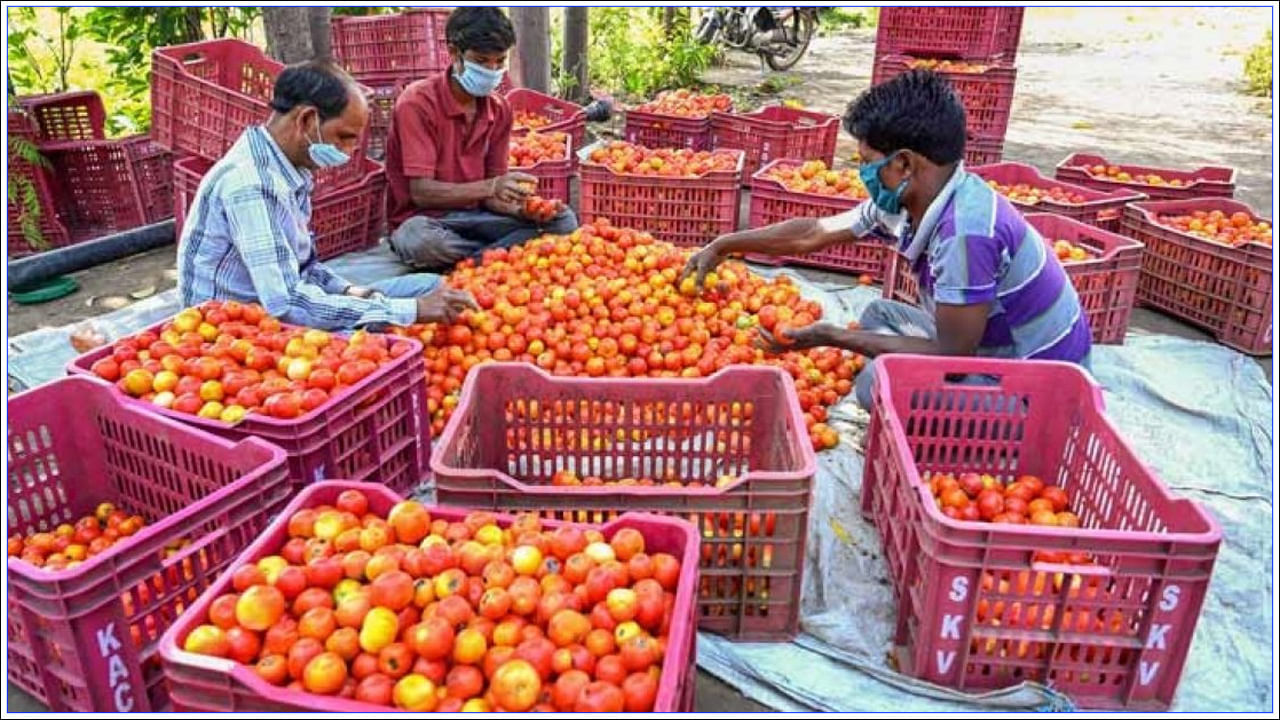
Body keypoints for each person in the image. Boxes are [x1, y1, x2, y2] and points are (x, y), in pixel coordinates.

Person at [682, 70, 1092, 410]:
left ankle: (979, 437)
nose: (861, 173)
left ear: (904, 163)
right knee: (880, 313)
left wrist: (832, 336)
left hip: (1037, 389)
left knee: (878, 383)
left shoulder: (965, 233)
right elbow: (814, 233)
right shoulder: (911, 197)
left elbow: (953, 356)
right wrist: (725, 244)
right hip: (989, 347)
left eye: (866, 163)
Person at [178, 60, 476, 331]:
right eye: (344, 137)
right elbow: (287, 305)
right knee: (377, 347)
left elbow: (305, 268)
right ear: (307, 120)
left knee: (430, 287)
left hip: (282, 307)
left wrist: (351, 291)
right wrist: (408, 311)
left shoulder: (287, 169)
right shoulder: (252, 185)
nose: (349, 152)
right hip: (242, 334)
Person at [383, 7, 578, 272]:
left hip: (478, 217)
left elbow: (492, 198)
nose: (492, 69)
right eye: (482, 60)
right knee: (421, 241)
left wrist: (525, 210)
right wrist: (492, 187)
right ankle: (500, 256)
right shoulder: (417, 103)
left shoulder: (499, 109)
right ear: (454, 53)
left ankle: (473, 263)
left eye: (499, 61)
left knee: (563, 220)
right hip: (427, 220)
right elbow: (422, 193)